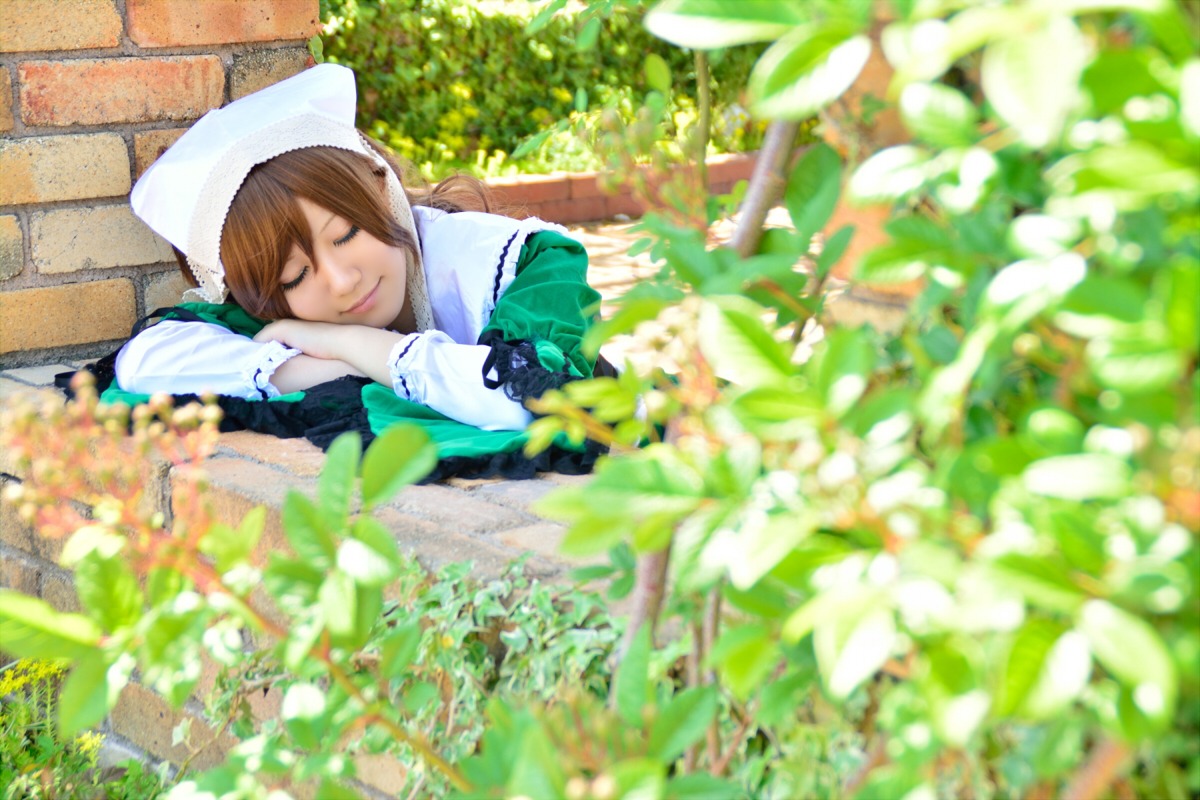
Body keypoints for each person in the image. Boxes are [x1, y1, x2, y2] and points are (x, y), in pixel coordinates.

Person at [75, 63, 610, 480]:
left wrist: (355, 345)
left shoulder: (530, 261)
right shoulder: (273, 311)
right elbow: (147, 361)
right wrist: (321, 363)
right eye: (293, 276)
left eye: (347, 234)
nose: (340, 280)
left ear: (381, 193)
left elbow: (529, 404)